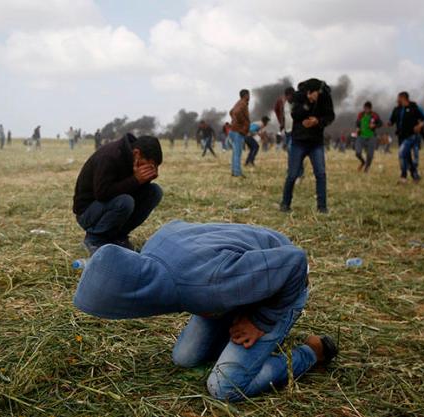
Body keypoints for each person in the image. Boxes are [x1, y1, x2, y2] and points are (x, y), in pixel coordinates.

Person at [73, 220, 339, 402]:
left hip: (282, 285)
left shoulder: (204, 284)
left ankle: (312, 352)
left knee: (224, 387)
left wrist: (261, 321)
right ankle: (237, 329)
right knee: (185, 357)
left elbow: (295, 261)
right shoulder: (153, 252)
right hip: (234, 282)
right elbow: (178, 227)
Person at [72, 133, 163, 255]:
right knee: (125, 202)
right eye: (148, 164)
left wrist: (145, 181)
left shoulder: (134, 160)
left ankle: (118, 237)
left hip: (110, 205)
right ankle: (95, 238)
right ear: (136, 154)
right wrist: (135, 180)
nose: (150, 169)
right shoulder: (110, 156)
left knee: (154, 192)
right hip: (88, 212)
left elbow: (134, 192)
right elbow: (102, 194)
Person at [280, 78, 335, 213]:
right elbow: (295, 114)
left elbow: (330, 116)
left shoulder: (325, 98)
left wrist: (318, 121)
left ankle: (322, 207)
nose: (318, 95)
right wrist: (307, 103)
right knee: (292, 174)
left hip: (316, 142)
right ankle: (285, 204)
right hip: (299, 141)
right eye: (315, 93)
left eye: (319, 93)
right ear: (309, 92)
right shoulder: (299, 96)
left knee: (321, 174)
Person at [388, 92, 424, 184]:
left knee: (402, 154)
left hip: (411, 136)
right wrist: (389, 123)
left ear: (403, 98)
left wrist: (420, 125)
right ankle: (415, 176)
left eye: (398, 98)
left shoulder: (414, 107)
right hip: (401, 136)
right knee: (407, 157)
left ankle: (403, 177)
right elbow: (391, 120)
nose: (397, 100)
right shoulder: (396, 109)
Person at [354, 101, 383, 173]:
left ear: (370, 109)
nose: (366, 110)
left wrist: (374, 125)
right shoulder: (360, 115)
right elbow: (357, 123)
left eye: (367, 109)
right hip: (361, 136)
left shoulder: (374, 115)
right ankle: (363, 162)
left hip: (371, 137)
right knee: (357, 152)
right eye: (365, 108)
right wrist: (357, 128)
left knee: (370, 155)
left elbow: (380, 123)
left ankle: (367, 168)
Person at [229, 89, 250, 177]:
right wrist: (243, 124)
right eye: (248, 95)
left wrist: (234, 121)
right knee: (238, 153)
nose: (249, 97)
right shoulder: (243, 103)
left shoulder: (238, 103)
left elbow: (231, 112)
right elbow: (237, 113)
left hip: (234, 130)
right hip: (238, 131)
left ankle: (234, 171)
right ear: (245, 95)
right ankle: (237, 173)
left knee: (235, 153)